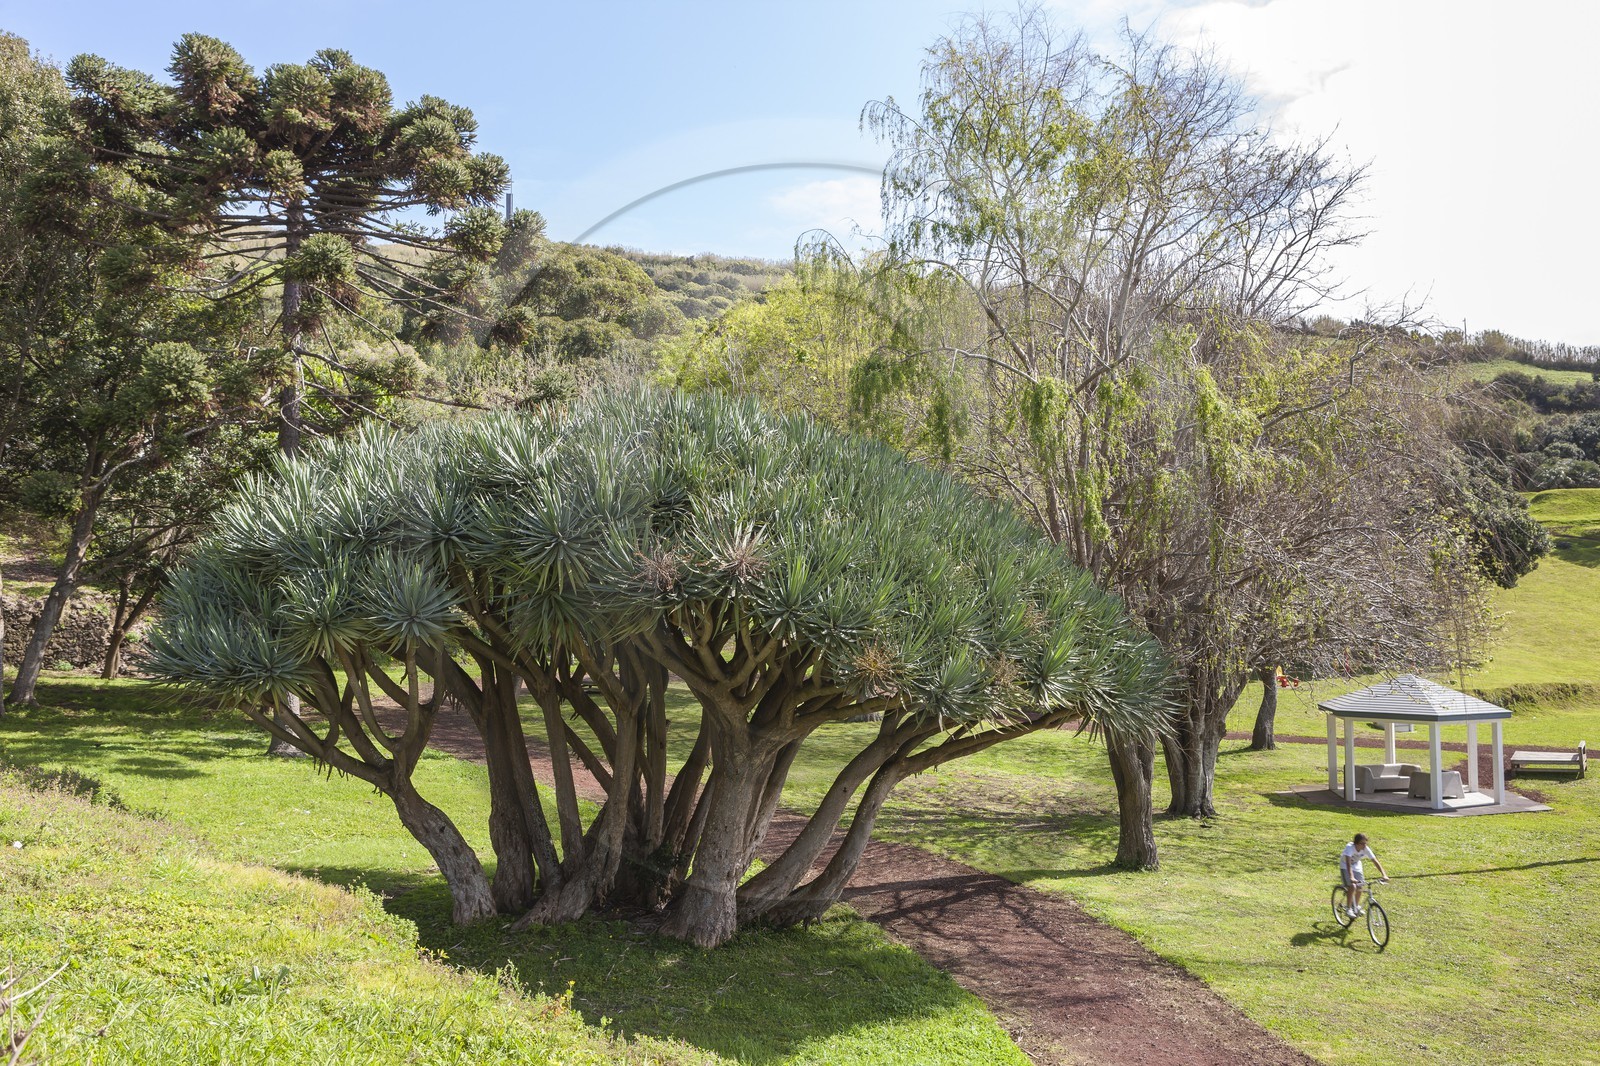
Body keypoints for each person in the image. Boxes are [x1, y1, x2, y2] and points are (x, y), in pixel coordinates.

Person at [1340, 832, 1388, 917]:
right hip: (1345, 865)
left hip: (1356, 865)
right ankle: (1348, 908)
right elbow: (1348, 863)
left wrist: (1384, 874)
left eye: (1365, 843)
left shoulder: (1365, 848)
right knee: (1353, 886)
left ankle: (1355, 906)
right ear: (1356, 843)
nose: (1364, 846)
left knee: (1360, 886)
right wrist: (1351, 877)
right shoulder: (1349, 848)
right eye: (1362, 843)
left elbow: (1375, 861)